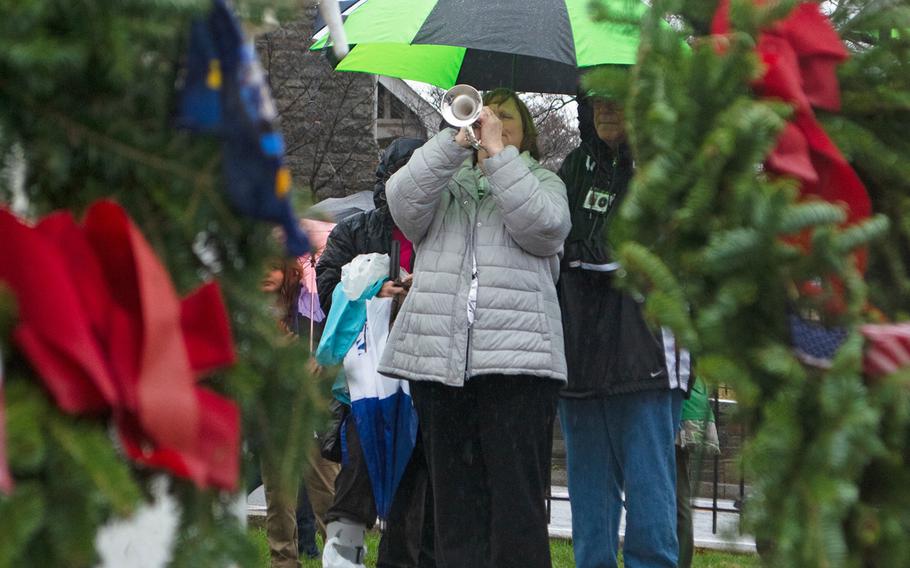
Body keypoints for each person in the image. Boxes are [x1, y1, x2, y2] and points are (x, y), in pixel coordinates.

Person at [378, 88, 571, 568]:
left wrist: (500, 158)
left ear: (525, 133)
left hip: (518, 368)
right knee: (453, 509)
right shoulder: (446, 182)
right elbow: (400, 201)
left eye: (506, 115)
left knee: (517, 509)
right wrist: (452, 143)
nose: (491, 119)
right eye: (487, 112)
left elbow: (544, 228)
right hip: (442, 367)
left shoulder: (545, 182)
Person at [556, 93, 690, 568]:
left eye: (619, 98)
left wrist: (580, 256)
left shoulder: (666, 162)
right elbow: (552, 240)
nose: (606, 109)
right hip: (581, 346)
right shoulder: (574, 165)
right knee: (589, 494)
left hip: (646, 348)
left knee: (650, 490)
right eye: (596, 101)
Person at [316, 137, 436, 568]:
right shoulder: (356, 230)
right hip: (368, 385)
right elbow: (326, 286)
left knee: (413, 488)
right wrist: (375, 292)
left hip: (425, 381)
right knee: (357, 482)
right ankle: (342, 558)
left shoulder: (443, 228)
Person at [259, 258, 340, 567]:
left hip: (313, 412)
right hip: (275, 415)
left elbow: (335, 346)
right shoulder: (250, 310)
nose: (266, 274)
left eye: (274, 267)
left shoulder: (310, 303)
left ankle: (339, 559)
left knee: (328, 496)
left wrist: (318, 359)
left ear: (289, 271)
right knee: (278, 501)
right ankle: (283, 561)